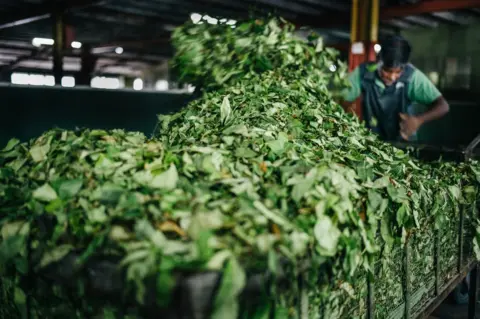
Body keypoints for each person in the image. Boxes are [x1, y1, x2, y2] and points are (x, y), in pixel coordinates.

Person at [340, 35, 449, 142]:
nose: (392, 77)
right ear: (379, 60)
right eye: (387, 70)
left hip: (404, 143)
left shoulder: (413, 77)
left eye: (398, 72)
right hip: (371, 141)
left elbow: (443, 105)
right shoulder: (363, 72)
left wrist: (418, 120)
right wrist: (346, 120)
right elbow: (342, 99)